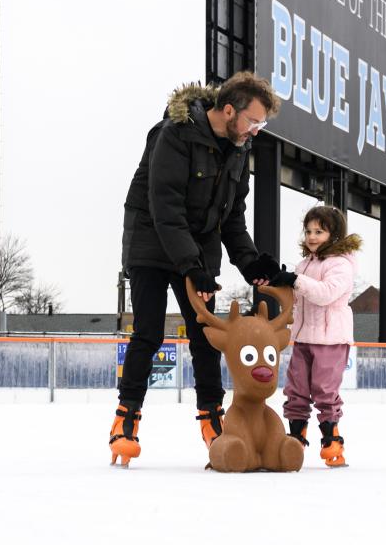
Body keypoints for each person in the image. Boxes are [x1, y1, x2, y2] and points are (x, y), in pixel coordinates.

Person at [109, 72, 283, 467]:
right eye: (253, 121)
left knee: (206, 337)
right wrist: (193, 266)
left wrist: (251, 262)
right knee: (149, 333)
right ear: (227, 110)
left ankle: (214, 422)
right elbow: (165, 208)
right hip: (151, 242)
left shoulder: (238, 149)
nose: (255, 131)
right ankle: (126, 420)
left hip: (197, 249)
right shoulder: (173, 134)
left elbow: (232, 218)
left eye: (262, 125)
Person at [269, 206, 361, 467]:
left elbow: (324, 294)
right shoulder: (304, 265)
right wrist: (279, 282)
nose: (311, 236)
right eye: (308, 231)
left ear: (334, 235)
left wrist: (296, 280)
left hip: (330, 339)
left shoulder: (341, 264)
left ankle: (332, 441)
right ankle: (295, 440)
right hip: (303, 338)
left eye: (319, 231)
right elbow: (297, 297)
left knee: (324, 390)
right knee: (295, 390)